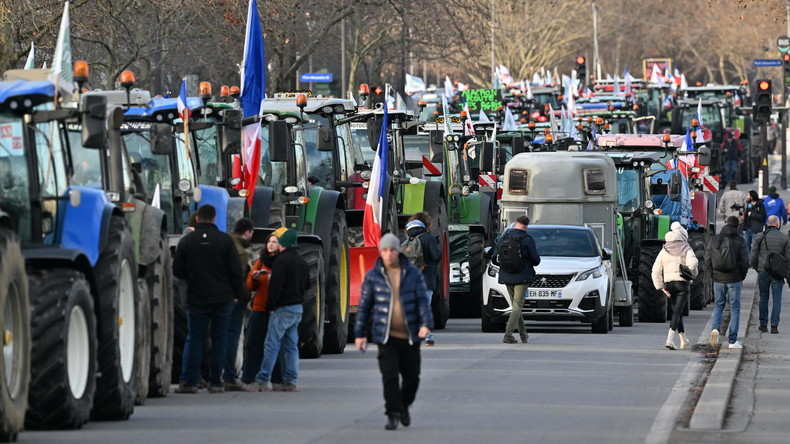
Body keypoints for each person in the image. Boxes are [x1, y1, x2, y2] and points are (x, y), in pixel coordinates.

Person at [354, 233, 433, 430]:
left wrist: (425, 324)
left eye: (392, 250)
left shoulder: (412, 274)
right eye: (385, 250)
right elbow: (364, 306)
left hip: (410, 336)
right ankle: (392, 413)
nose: (389, 254)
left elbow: (422, 301)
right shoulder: (374, 276)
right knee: (389, 377)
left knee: (412, 377)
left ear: (398, 251)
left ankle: (404, 405)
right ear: (381, 252)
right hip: (386, 336)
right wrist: (360, 333)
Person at [173, 204, 242, 393]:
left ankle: (190, 382)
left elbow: (177, 270)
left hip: (196, 298)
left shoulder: (187, 242)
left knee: (194, 338)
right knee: (220, 339)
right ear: (214, 218)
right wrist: (237, 294)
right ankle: (216, 383)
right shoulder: (225, 241)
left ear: (197, 219)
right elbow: (236, 271)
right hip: (223, 298)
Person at [244, 229, 310, 392]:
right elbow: (307, 285)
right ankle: (291, 381)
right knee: (291, 347)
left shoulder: (281, 261)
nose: (274, 245)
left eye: (277, 242)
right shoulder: (302, 262)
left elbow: (276, 287)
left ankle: (262, 378)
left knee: (271, 345)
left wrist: (271, 306)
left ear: (283, 244)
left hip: (281, 309)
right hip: (297, 308)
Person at [241, 229, 285, 385]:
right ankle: (248, 377)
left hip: (277, 310)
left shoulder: (283, 262)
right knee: (253, 343)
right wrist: (254, 278)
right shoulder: (261, 261)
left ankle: (278, 379)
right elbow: (250, 285)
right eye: (269, 242)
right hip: (259, 308)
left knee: (275, 345)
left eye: (274, 242)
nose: (270, 245)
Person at [490, 216, 541, 344]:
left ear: (515, 224)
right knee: (517, 306)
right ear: (526, 227)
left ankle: (524, 335)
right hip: (522, 277)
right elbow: (536, 260)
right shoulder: (527, 239)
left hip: (506, 275)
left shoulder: (503, 238)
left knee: (515, 306)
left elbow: (494, 257)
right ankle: (508, 334)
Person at [651, 222, 698, 350]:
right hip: (682, 284)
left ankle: (683, 340)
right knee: (677, 312)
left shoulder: (664, 250)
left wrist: (660, 287)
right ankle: (669, 340)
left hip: (668, 285)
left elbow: (655, 270)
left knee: (677, 312)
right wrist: (692, 274)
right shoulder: (686, 248)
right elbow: (693, 264)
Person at [705, 216, 749, 349]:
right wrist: (741, 276)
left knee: (719, 305)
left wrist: (712, 275)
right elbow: (745, 261)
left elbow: (707, 259)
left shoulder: (714, 239)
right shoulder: (740, 240)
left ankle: (715, 329)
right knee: (735, 308)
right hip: (734, 279)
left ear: (725, 224)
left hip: (718, 279)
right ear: (737, 227)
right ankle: (732, 341)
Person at [223, 217, 254, 391]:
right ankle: (228, 375)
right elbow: (238, 278)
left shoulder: (224, 242)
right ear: (248, 233)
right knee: (232, 336)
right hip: (234, 299)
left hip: (216, 295)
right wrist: (245, 295)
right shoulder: (240, 252)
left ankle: (211, 375)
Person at [403, 213, 442, 346]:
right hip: (426, 280)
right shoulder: (427, 237)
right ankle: (428, 337)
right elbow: (436, 255)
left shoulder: (407, 239)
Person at [749, 215, 789, 334]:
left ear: (768, 223)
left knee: (764, 298)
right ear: (777, 224)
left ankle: (763, 324)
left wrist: (757, 267)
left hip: (763, 271)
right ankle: (774, 326)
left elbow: (753, 255)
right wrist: (786, 273)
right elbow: (788, 257)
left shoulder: (760, 236)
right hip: (778, 272)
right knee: (777, 299)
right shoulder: (784, 238)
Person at [744, 190, 767, 255]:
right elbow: (747, 214)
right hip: (748, 227)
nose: (747, 196)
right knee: (746, 243)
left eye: (748, 195)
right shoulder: (748, 204)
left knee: (755, 245)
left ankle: (753, 259)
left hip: (756, 228)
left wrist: (752, 215)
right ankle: (748, 259)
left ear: (752, 196)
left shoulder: (760, 205)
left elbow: (763, 217)